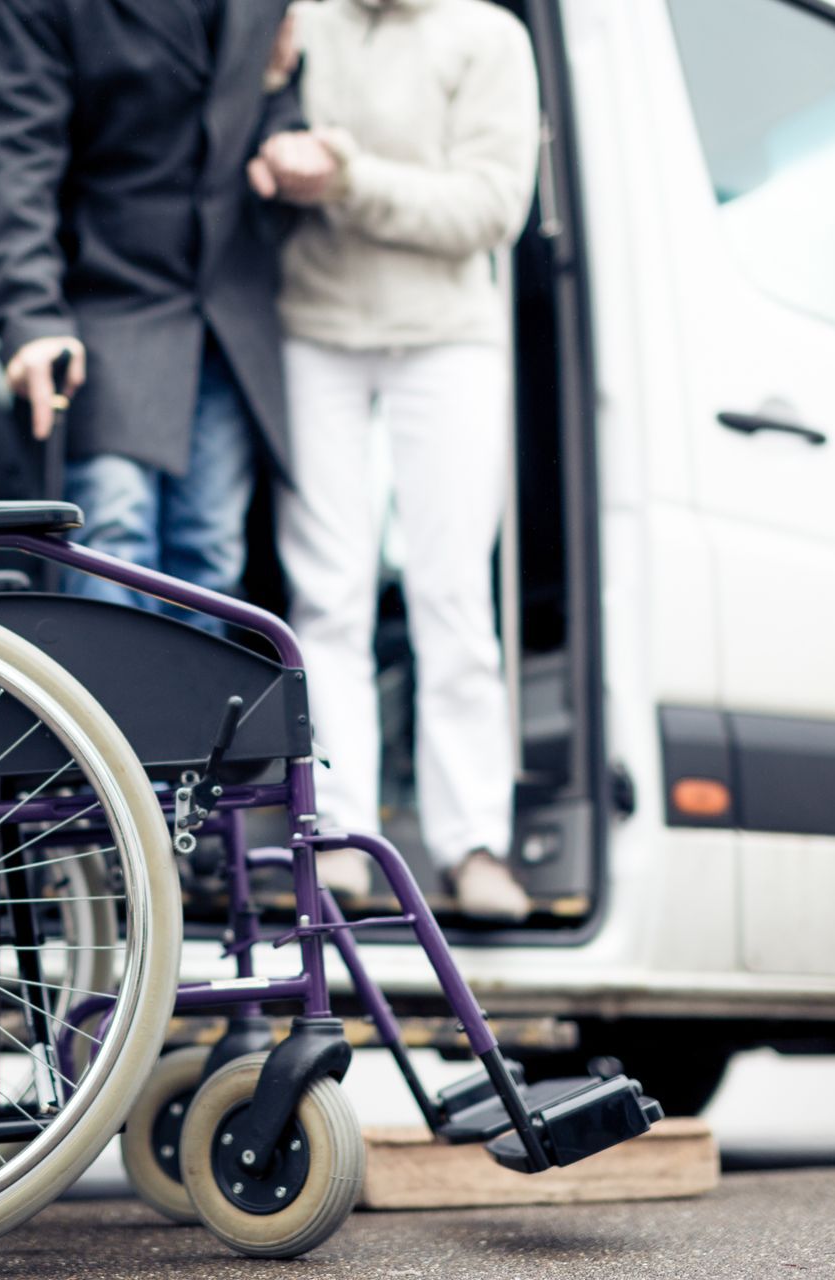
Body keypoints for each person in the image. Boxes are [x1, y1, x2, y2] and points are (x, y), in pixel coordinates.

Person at [252, 0, 541, 920]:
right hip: (314, 329)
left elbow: (493, 207)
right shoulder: (301, 19)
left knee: (451, 592)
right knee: (324, 594)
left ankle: (474, 845)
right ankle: (335, 832)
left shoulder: (487, 36)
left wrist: (348, 178)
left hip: (447, 339)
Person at [0, 0, 335, 627]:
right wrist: (30, 315)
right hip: (109, 302)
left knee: (211, 556)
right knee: (110, 534)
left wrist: (286, 145)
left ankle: (188, 727)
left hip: (227, 316)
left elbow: (264, 123)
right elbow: (14, 159)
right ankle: (103, 726)